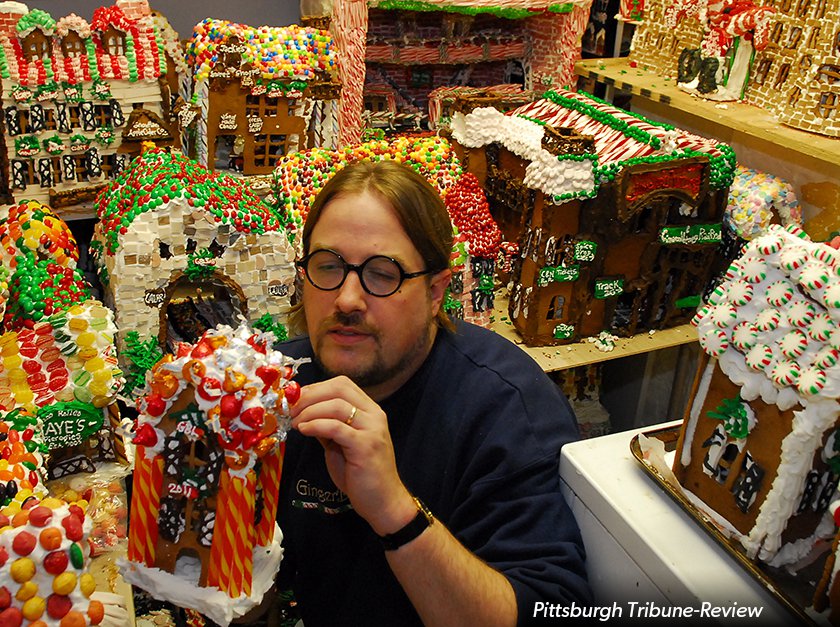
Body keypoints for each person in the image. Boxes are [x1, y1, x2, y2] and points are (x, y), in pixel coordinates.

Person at [276, 159, 591, 626]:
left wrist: (393, 509)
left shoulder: (506, 410)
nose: (345, 299)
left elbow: (550, 609)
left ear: (437, 291)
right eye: (328, 266)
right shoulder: (281, 384)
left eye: (383, 274)